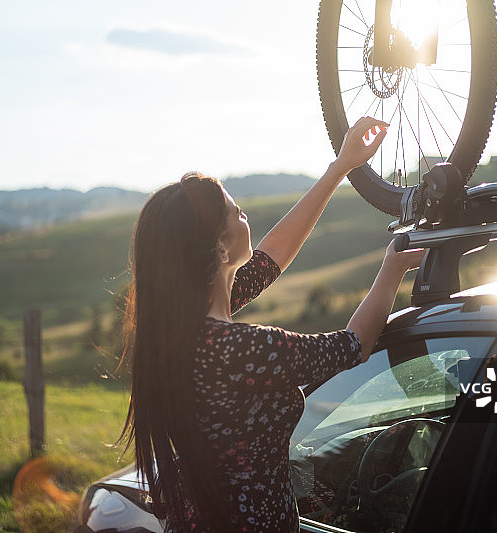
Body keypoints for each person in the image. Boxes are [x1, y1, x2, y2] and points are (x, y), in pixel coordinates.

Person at [117, 116, 426, 532]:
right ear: (221, 249)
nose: (246, 216)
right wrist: (392, 269)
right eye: (237, 213)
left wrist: (341, 167)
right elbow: (354, 345)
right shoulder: (239, 348)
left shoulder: (179, 333)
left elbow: (270, 258)